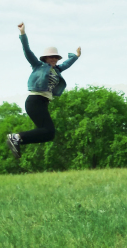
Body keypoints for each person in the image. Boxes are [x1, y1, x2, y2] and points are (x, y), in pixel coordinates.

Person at [6, 23, 81, 158]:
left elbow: (67, 64)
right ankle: (16, 137)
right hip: (35, 101)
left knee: (48, 133)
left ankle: (17, 139)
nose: (54, 59)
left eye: (56, 57)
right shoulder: (38, 66)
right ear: (45, 58)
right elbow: (27, 51)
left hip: (42, 103)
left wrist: (76, 56)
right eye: (51, 57)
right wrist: (22, 34)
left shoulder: (57, 70)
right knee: (48, 131)